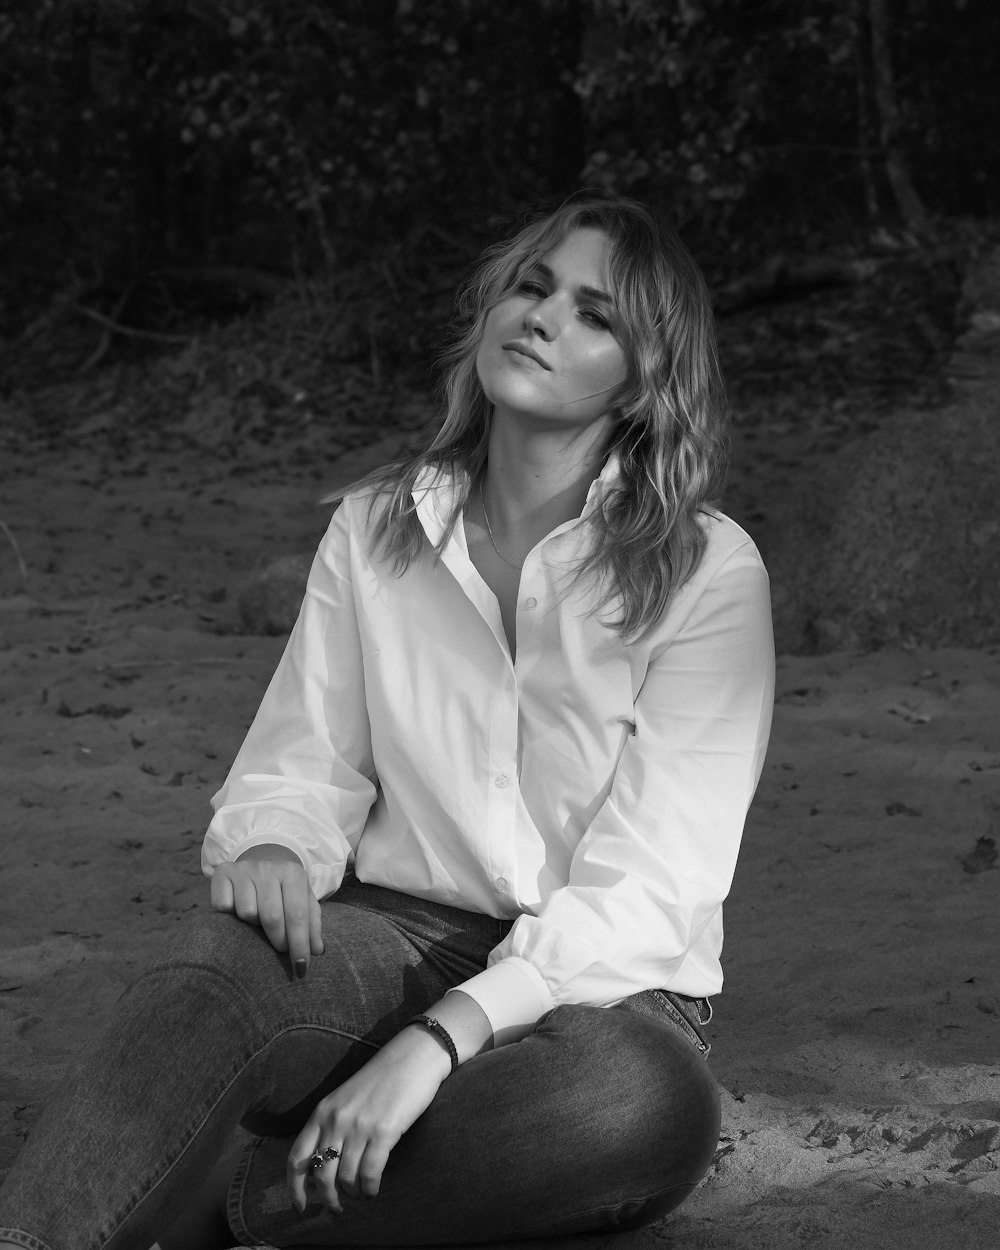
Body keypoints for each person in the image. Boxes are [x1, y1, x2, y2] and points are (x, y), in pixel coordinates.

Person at [0, 192, 774, 1250]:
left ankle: (242, 1202)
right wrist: (274, 837)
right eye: (532, 286)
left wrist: (442, 1041)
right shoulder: (377, 527)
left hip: (600, 993)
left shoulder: (705, 570)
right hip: (397, 934)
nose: (542, 316)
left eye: (595, 314)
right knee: (221, 958)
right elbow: (299, 761)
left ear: (643, 382)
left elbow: (652, 891)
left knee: (636, 1102)